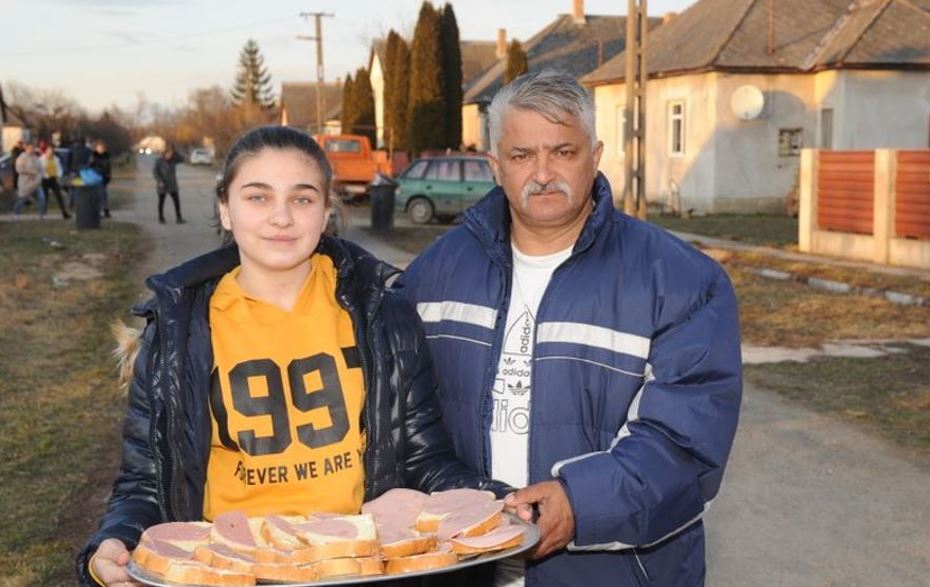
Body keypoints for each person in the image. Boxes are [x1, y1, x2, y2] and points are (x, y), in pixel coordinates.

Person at [76, 125, 507, 587]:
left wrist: (496, 501)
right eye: (257, 197)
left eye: (302, 199)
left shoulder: (384, 316)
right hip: (232, 572)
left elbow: (425, 460)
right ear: (225, 208)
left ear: (325, 212)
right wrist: (114, 542)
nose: (281, 217)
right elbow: (144, 483)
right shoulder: (178, 335)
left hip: (352, 570)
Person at [398, 70, 742, 586]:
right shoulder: (431, 276)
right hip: (463, 564)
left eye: (563, 151)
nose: (542, 173)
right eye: (521, 156)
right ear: (495, 166)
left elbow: (685, 443)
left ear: (596, 156)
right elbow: (404, 419)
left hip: (613, 572)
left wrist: (579, 504)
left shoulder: (682, 282)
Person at [39, 140, 71, 220]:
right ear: (46, 151)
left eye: (52, 151)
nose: (51, 152)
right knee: (44, 197)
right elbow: (40, 170)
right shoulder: (41, 159)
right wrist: (45, 175)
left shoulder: (56, 159)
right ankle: (42, 213)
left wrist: (58, 175)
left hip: (53, 179)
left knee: (59, 196)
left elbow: (59, 169)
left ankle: (64, 213)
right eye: (49, 150)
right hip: (45, 179)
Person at [13, 142, 45, 219]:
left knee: (41, 198)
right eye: (30, 148)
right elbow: (19, 169)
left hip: (35, 183)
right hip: (25, 183)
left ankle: (41, 215)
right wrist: (29, 172)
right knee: (22, 199)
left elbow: (40, 169)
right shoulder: (22, 157)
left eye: (33, 148)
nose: (32, 150)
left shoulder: (36, 158)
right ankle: (16, 214)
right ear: (26, 149)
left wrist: (39, 176)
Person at [153, 146, 184, 224]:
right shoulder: (159, 161)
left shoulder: (174, 161)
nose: (170, 155)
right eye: (168, 154)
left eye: (171, 154)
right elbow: (155, 172)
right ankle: (161, 218)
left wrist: (175, 150)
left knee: (176, 202)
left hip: (172, 185)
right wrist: (159, 181)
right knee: (161, 202)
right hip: (162, 184)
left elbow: (182, 159)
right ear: (164, 154)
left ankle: (179, 218)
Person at [89, 139, 113, 218]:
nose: (101, 149)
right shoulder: (93, 156)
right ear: (96, 148)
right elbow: (91, 167)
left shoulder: (107, 156)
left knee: (103, 194)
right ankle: (102, 211)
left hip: (105, 177)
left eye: (102, 148)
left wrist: (109, 175)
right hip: (96, 177)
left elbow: (109, 167)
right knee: (100, 194)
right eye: (99, 148)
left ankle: (104, 210)